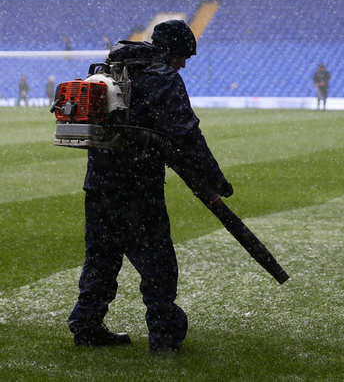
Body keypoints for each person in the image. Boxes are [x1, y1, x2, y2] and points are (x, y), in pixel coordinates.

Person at [67, 20, 233, 353]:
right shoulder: (163, 78)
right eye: (184, 55)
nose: (184, 63)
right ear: (171, 50)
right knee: (158, 263)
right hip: (138, 186)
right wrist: (215, 180)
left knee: (102, 256)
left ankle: (86, 326)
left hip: (99, 182)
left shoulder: (112, 67)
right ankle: (165, 336)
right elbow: (187, 134)